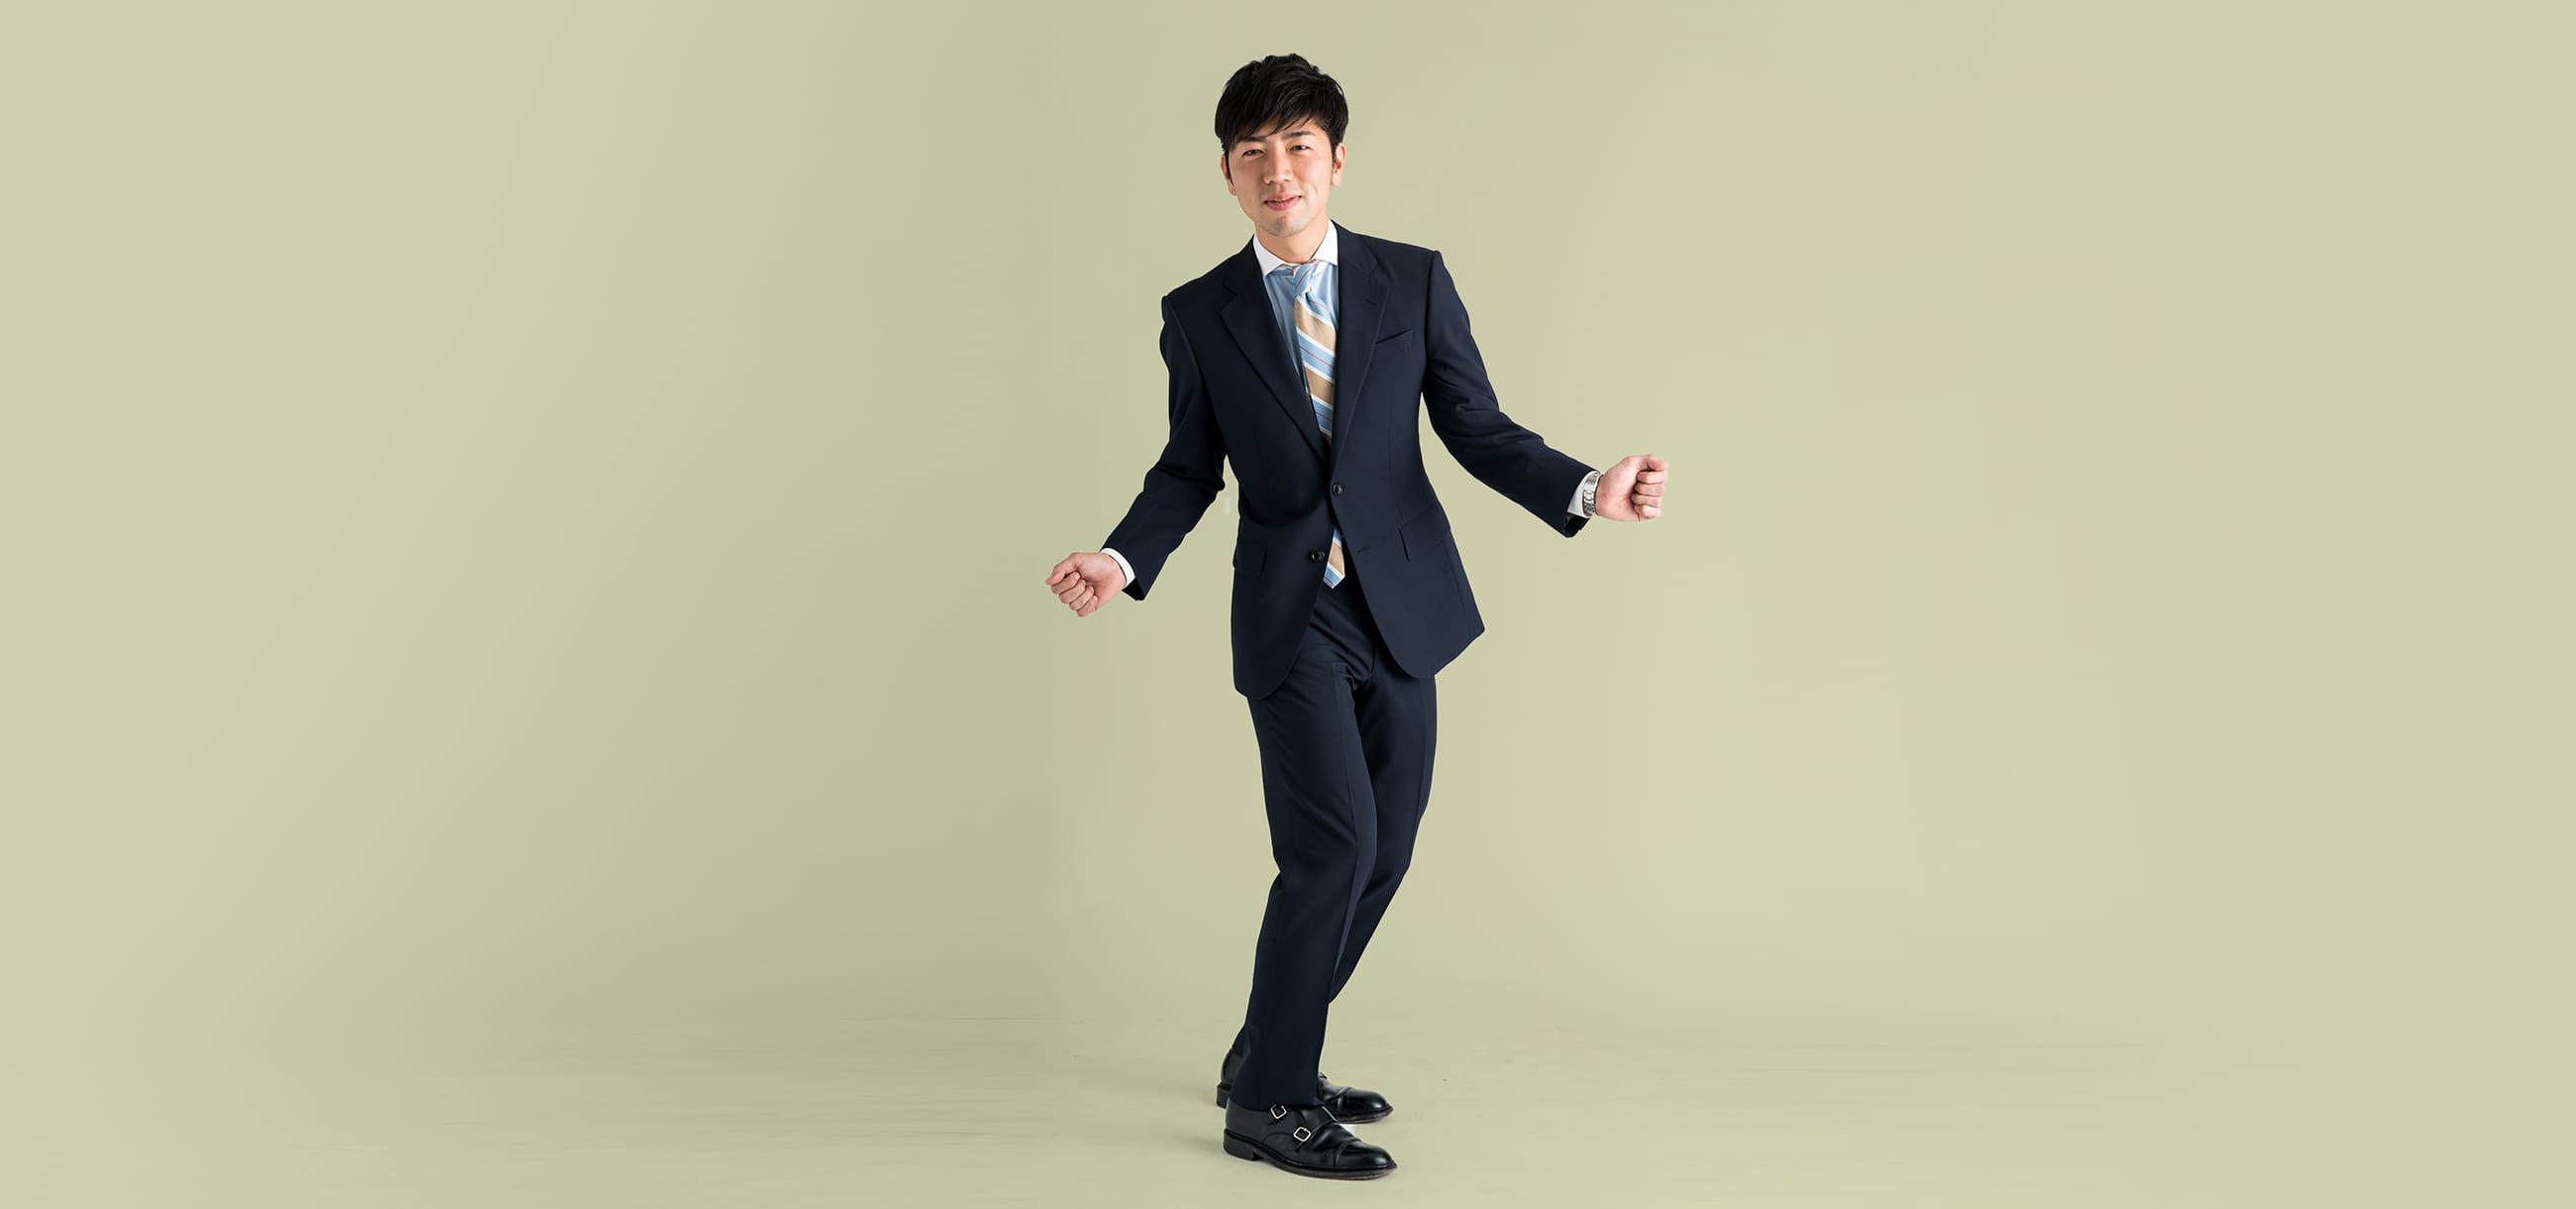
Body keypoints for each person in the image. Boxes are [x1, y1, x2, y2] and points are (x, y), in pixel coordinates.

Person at [1043, 54, 1669, 1180]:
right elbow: (1187, 468)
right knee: (1331, 845)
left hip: (1402, 607)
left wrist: (1588, 488)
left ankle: (1267, 1049)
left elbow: (1477, 426)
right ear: (1227, 176)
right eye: (1252, 153)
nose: (1276, 169)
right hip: (1292, 616)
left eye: (1298, 146)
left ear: (1336, 161)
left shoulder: (1410, 281)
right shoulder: (1198, 314)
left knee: (1385, 848)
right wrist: (1121, 555)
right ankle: (1268, 1103)